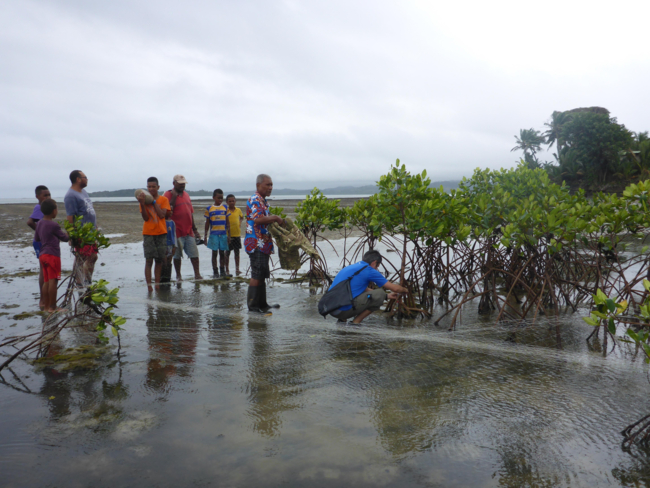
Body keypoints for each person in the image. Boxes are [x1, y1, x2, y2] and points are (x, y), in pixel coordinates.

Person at [328, 250, 408, 324]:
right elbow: (395, 288)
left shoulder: (352, 267)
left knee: (374, 294)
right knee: (380, 293)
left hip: (331, 308)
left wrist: (387, 296)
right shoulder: (369, 270)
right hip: (342, 310)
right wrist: (406, 290)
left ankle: (342, 321)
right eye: (377, 266)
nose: (376, 268)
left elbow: (362, 289)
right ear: (374, 262)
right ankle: (356, 322)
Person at [245, 174, 284, 313]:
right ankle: (253, 306)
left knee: (262, 273)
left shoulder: (263, 201)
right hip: (256, 242)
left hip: (263, 242)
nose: (270, 187)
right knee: (257, 273)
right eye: (267, 185)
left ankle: (262, 304)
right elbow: (258, 220)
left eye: (271, 185)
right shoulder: (255, 199)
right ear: (258, 185)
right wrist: (275, 217)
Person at [164, 175, 202, 281]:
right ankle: (178, 276)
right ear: (174, 183)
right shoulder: (168, 194)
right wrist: (174, 197)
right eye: (180, 183)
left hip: (188, 230)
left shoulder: (186, 195)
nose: (182, 185)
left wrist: (195, 230)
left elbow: (191, 213)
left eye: (183, 183)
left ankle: (197, 274)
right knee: (177, 256)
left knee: (194, 254)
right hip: (176, 231)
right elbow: (168, 211)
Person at [64, 169, 98, 287]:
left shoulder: (83, 192)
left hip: (90, 232)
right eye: (85, 177)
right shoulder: (70, 195)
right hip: (81, 233)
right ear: (78, 179)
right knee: (84, 257)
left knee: (91, 257)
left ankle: (86, 281)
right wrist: (71, 235)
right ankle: (80, 283)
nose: (87, 179)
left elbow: (89, 211)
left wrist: (95, 228)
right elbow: (70, 217)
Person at [34, 199, 69, 312]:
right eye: (57, 209)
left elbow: (37, 239)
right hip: (52, 255)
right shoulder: (54, 225)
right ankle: (53, 307)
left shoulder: (39, 223)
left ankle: (46, 306)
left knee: (46, 281)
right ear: (54, 211)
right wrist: (70, 233)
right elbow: (65, 238)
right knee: (53, 281)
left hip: (43, 255)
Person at [138, 177, 172, 292]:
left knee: (159, 260)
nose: (151, 188)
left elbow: (162, 215)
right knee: (149, 260)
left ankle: (157, 285)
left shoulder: (163, 200)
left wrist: (153, 202)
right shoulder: (143, 201)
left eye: (153, 186)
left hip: (161, 232)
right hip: (148, 233)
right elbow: (145, 218)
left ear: (158, 187)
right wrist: (143, 204)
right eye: (149, 187)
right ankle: (149, 286)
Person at [27, 185, 51, 309]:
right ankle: (42, 300)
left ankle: (46, 298)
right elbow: (30, 222)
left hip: (44, 242)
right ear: (37, 197)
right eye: (44, 195)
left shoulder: (45, 208)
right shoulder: (39, 207)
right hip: (41, 242)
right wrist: (41, 233)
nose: (47, 197)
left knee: (46, 270)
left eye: (49, 195)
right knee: (43, 270)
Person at [204, 189, 230, 278]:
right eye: (218, 198)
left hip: (223, 234)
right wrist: (205, 236)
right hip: (213, 235)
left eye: (221, 198)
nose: (220, 200)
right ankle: (215, 272)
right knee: (214, 253)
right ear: (214, 197)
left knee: (222, 253)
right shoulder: (209, 209)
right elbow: (207, 223)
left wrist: (229, 235)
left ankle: (222, 270)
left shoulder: (225, 208)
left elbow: (228, 222)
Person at [225, 194, 244, 276]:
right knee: (227, 253)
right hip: (228, 235)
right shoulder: (225, 210)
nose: (232, 202)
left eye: (233, 201)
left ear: (235, 201)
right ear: (227, 202)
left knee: (237, 252)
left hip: (237, 234)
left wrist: (239, 223)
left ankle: (237, 269)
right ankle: (227, 270)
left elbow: (242, 217)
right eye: (230, 201)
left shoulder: (238, 210)